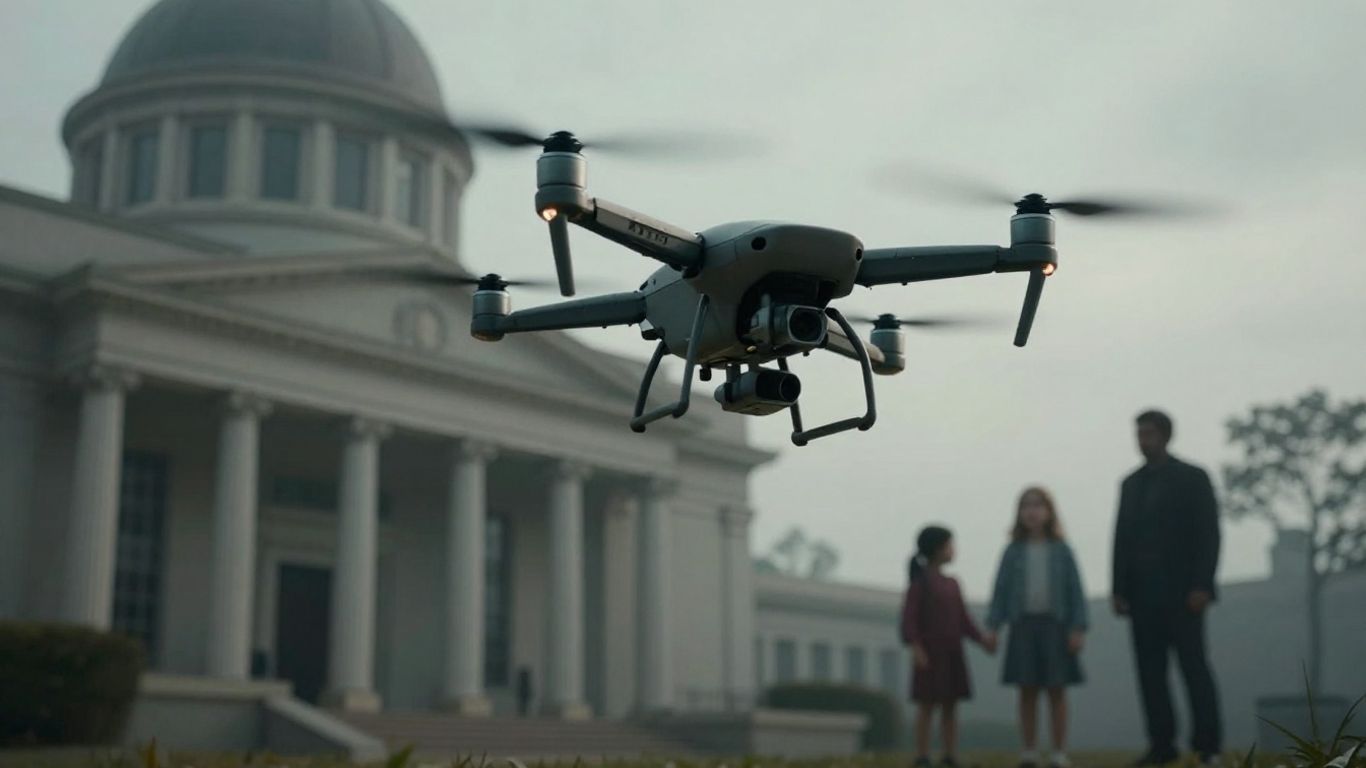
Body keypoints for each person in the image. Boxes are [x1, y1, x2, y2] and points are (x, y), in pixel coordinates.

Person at [1112, 410, 1223, 766]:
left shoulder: (1192, 478)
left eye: (1148, 433)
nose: (1142, 440)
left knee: (1195, 670)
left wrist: (1202, 584)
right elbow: (1122, 539)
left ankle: (1208, 746)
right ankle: (1162, 744)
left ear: (1165, 435)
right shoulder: (1131, 484)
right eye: (1139, 433)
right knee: (1150, 675)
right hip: (1143, 597)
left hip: (1185, 595)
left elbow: (1209, 535)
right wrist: (1119, 588)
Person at [985, 487, 1089, 768]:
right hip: (1023, 625)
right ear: (1019, 513)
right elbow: (1001, 590)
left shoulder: (1062, 551)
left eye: (1038, 505)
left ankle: (1058, 752)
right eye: (1026, 506)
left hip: (1056, 625)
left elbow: (1075, 590)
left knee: (1057, 690)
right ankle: (1029, 751)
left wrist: (1078, 628)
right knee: (1026, 689)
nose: (1032, 511)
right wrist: (993, 627)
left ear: (1049, 512)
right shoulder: (1012, 552)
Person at [901, 525, 997, 768]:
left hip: (952, 653)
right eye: (950, 545)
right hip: (929, 653)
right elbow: (909, 619)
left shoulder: (953, 583)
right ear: (938, 549)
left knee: (950, 706)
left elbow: (963, 620)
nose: (954, 550)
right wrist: (916, 647)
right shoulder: (920, 584)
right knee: (927, 706)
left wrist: (982, 640)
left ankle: (949, 754)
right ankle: (922, 755)